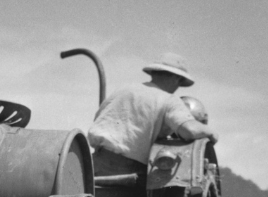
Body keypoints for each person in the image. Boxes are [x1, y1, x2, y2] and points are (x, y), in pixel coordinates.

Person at [86, 52, 219, 179]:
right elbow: (190, 131)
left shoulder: (124, 89)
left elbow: (99, 117)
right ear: (177, 79)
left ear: (154, 73)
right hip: (129, 173)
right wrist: (211, 133)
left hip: (94, 165)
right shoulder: (169, 100)